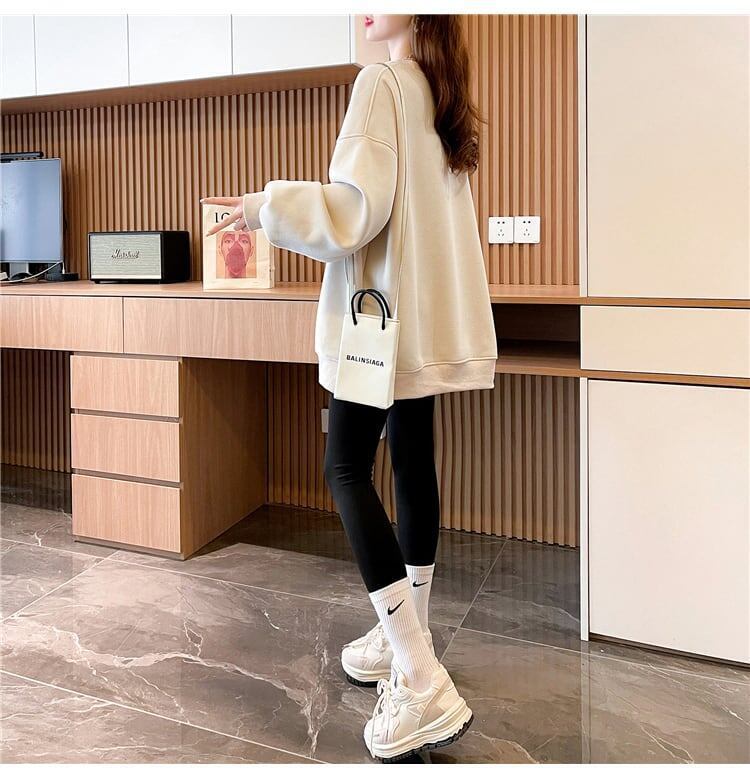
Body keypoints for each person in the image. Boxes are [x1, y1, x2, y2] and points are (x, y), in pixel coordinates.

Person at [202, 14, 497, 762]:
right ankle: (408, 636)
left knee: (343, 470)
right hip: (420, 322)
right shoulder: (441, 92)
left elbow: (353, 213)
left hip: (377, 326)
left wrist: (263, 205)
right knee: (413, 465)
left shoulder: (381, 83)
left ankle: (420, 676)